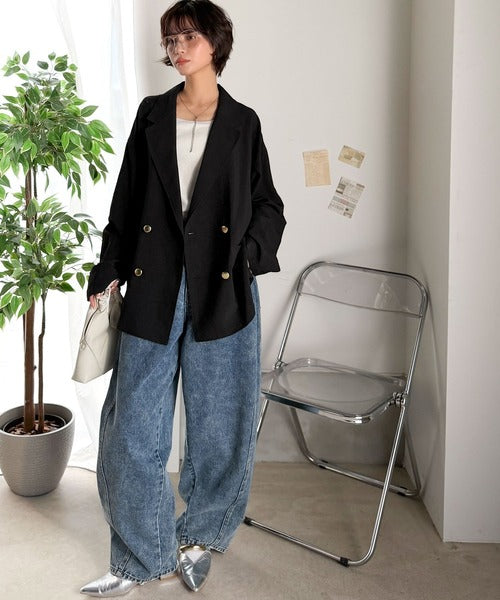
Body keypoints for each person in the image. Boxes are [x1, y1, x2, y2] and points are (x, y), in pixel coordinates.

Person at [80, 0, 285, 596]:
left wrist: (247, 258)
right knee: (132, 429)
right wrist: (107, 272)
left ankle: (199, 539)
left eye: (188, 37)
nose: (176, 49)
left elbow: (268, 204)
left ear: (214, 42)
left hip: (221, 289)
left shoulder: (243, 123)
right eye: (170, 39)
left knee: (220, 425)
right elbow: (126, 201)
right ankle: (139, 558)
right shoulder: (151, 114)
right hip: (154, 283)